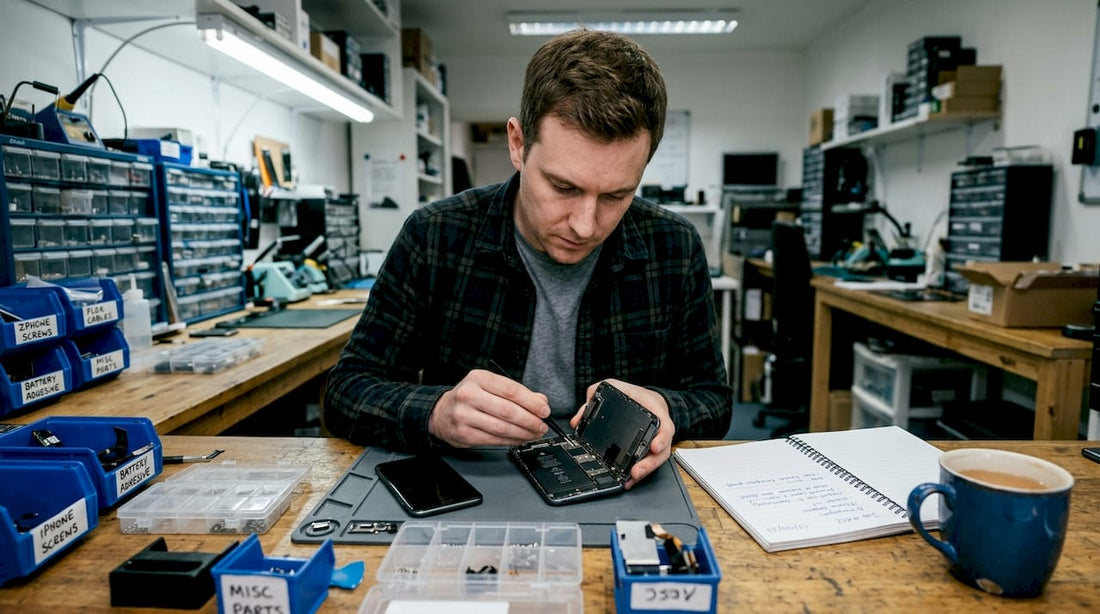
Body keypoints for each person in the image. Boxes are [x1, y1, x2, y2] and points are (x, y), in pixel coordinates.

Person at [324, 29, 732, 489]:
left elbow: (713, 401)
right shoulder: (435, 236)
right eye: (563, 187)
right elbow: (346, 392)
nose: (585, 224)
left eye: (617, 195)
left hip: (622, 485)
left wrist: (666, 408)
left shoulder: (674, 246)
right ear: (517, 144)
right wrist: (437, 413)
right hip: (471, 482)